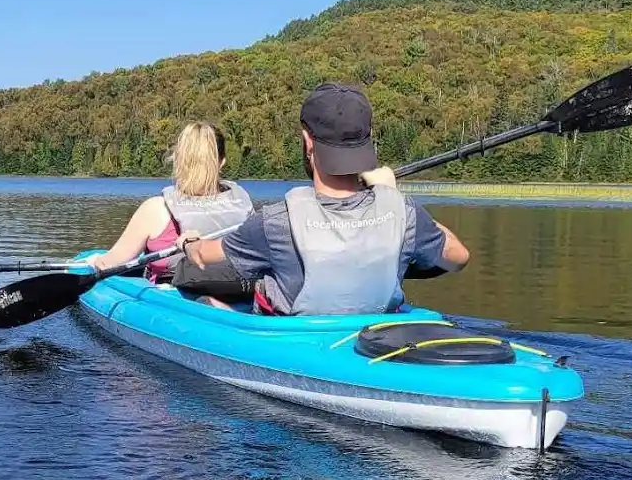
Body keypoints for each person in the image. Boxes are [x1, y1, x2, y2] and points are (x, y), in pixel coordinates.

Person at [176, 83, 469, 312]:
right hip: (373, 333)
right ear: (367, 142)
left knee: (197, 294)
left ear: (307, 142)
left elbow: (203, 257)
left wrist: (189, 242)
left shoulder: (276, 221)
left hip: (292, 339)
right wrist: (389, 194)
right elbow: (458, 258)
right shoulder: (404, 212)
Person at [91, 122, 253, 297]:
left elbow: (110, 264)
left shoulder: (156, 209)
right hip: (242, 291)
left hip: (177, 299)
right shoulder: (244, 205)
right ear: (222, 162)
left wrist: (93, 261)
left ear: (177, 159)